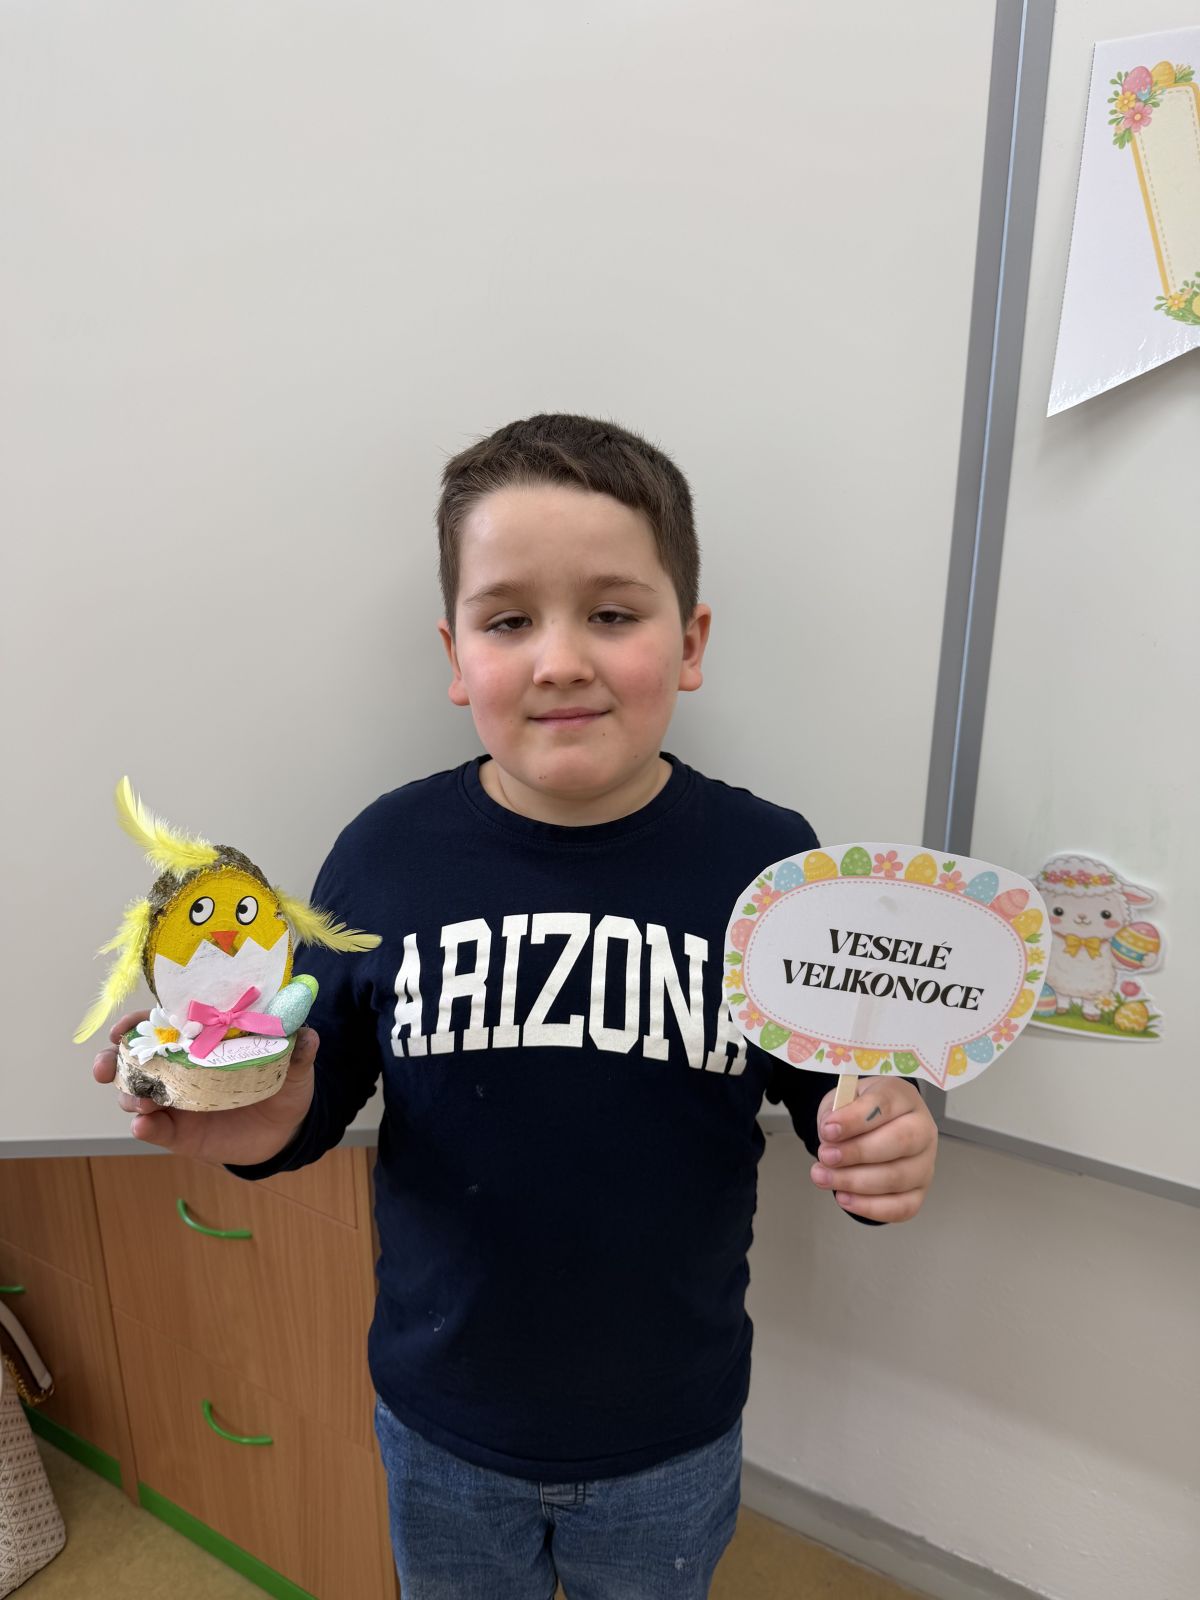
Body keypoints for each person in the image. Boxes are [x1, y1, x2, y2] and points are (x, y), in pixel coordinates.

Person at [94, 414, 939, 1600]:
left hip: (671, 1430)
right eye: (508, 622)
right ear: (456, 655)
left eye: (613, 613)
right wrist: (254, 1121)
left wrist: (885, 1136)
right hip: (442, 1424)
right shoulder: (384, 856)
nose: (560, 660)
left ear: (690, 641)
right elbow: (312, 1095)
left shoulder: (772, 867)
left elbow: (835, 1093)